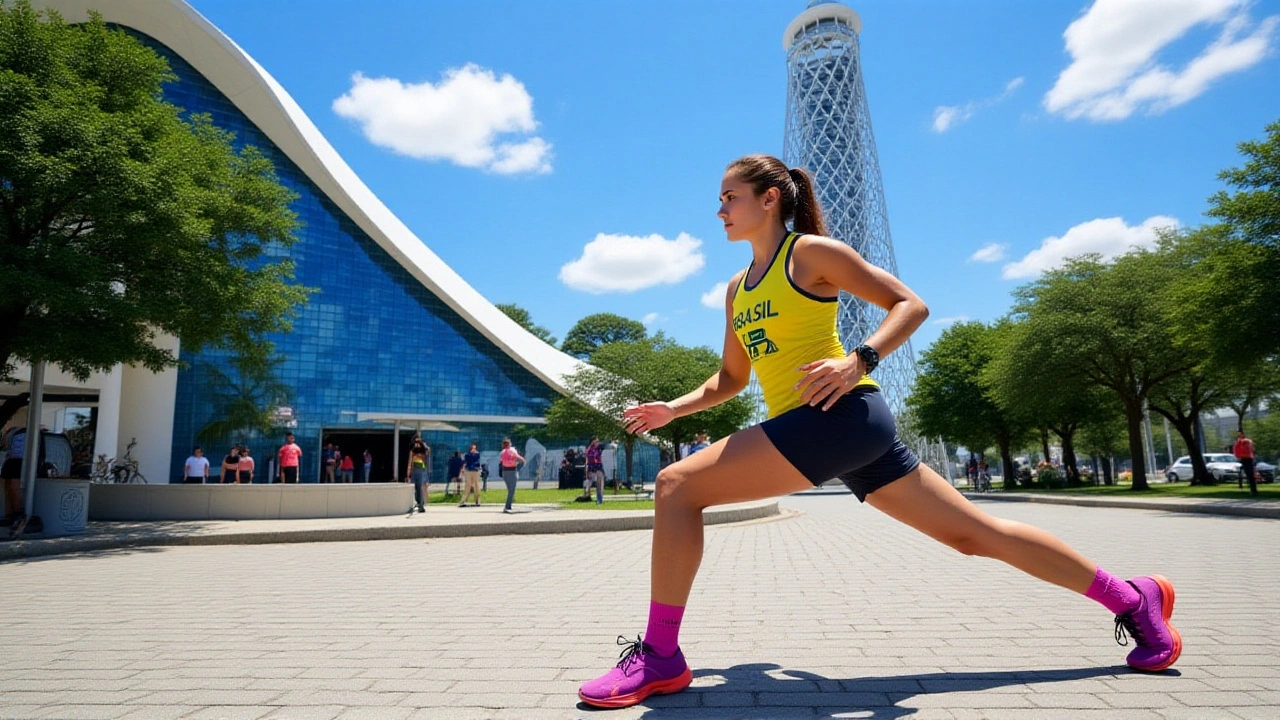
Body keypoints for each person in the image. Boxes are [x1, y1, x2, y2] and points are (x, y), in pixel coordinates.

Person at [577, 155, 1181, 709]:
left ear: (767, 199)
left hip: (841, 417)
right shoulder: (737, 290)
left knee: (677, 485)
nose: (719, 210)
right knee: (976, 535)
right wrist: (672, 410)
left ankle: (659, 657)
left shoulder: (810, 254)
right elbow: (731, 380)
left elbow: (909, 305)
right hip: (824, 431)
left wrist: (857, 359)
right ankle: (1133, 599)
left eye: (728, 197)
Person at [2, 427, 29, 525]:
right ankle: (8, 514)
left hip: (19, 459)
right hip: (10, 459)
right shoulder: (11, 431)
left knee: (14, 487)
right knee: (7, 487)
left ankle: (17, 513)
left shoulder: (27, 431)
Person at [498, 438, 526, 514]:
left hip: (505, 472)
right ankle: (507, 506)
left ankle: (509, 505)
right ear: (509, 444)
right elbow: (520, 458)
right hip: (512, 471)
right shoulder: (512, 450)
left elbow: (501, 461)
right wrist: (522, 461)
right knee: (512, 490)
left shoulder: (502, 452)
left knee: (510, 490)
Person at [407, 435, 429, 513]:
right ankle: (418, 502)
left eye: (418, 442)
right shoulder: (412, 451)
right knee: (416, 488)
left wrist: (422, 444)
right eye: (416, 442)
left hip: (421, 470)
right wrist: (408, 473)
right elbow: (410, 462)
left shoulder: (423, 452)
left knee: (420, 488)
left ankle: (421, 505)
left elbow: (427, 452)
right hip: (415, 470)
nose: (417, 444)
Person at [1233, 430, 1257, 496]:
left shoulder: (1246, 441)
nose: (1239, 436)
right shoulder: (1240, 442)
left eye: (1240, 434)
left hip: (1248, 459)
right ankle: (1252, 489)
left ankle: (1253, 490)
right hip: (1244, 459)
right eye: (1238, 435)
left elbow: (1248, 449)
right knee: (1248, 475)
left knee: (1250, 475)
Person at [460, 443, 482, 507]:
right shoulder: (467, 455)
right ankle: (463, 500)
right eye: (472, 448)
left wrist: (474, 453)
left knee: (476, 485)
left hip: (475, 470)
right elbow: (469, 460)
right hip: (468, 470)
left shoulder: (477, 454)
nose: (474, 450)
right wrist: (472, 453)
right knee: (468, 485)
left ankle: (477, 500)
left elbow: (476, 460)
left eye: (475, 448)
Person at [585, 437, 604, 504]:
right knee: (590, 482)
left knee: (599, 483)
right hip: (591, 466)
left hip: (598, 466)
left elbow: (602, 446)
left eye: (597, 441)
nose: (596, 443)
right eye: (595, 441)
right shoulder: (589, 450)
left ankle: (599, 499)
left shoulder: (599, 448)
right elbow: (588, 459)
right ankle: (587, 495)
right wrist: (587, 470)